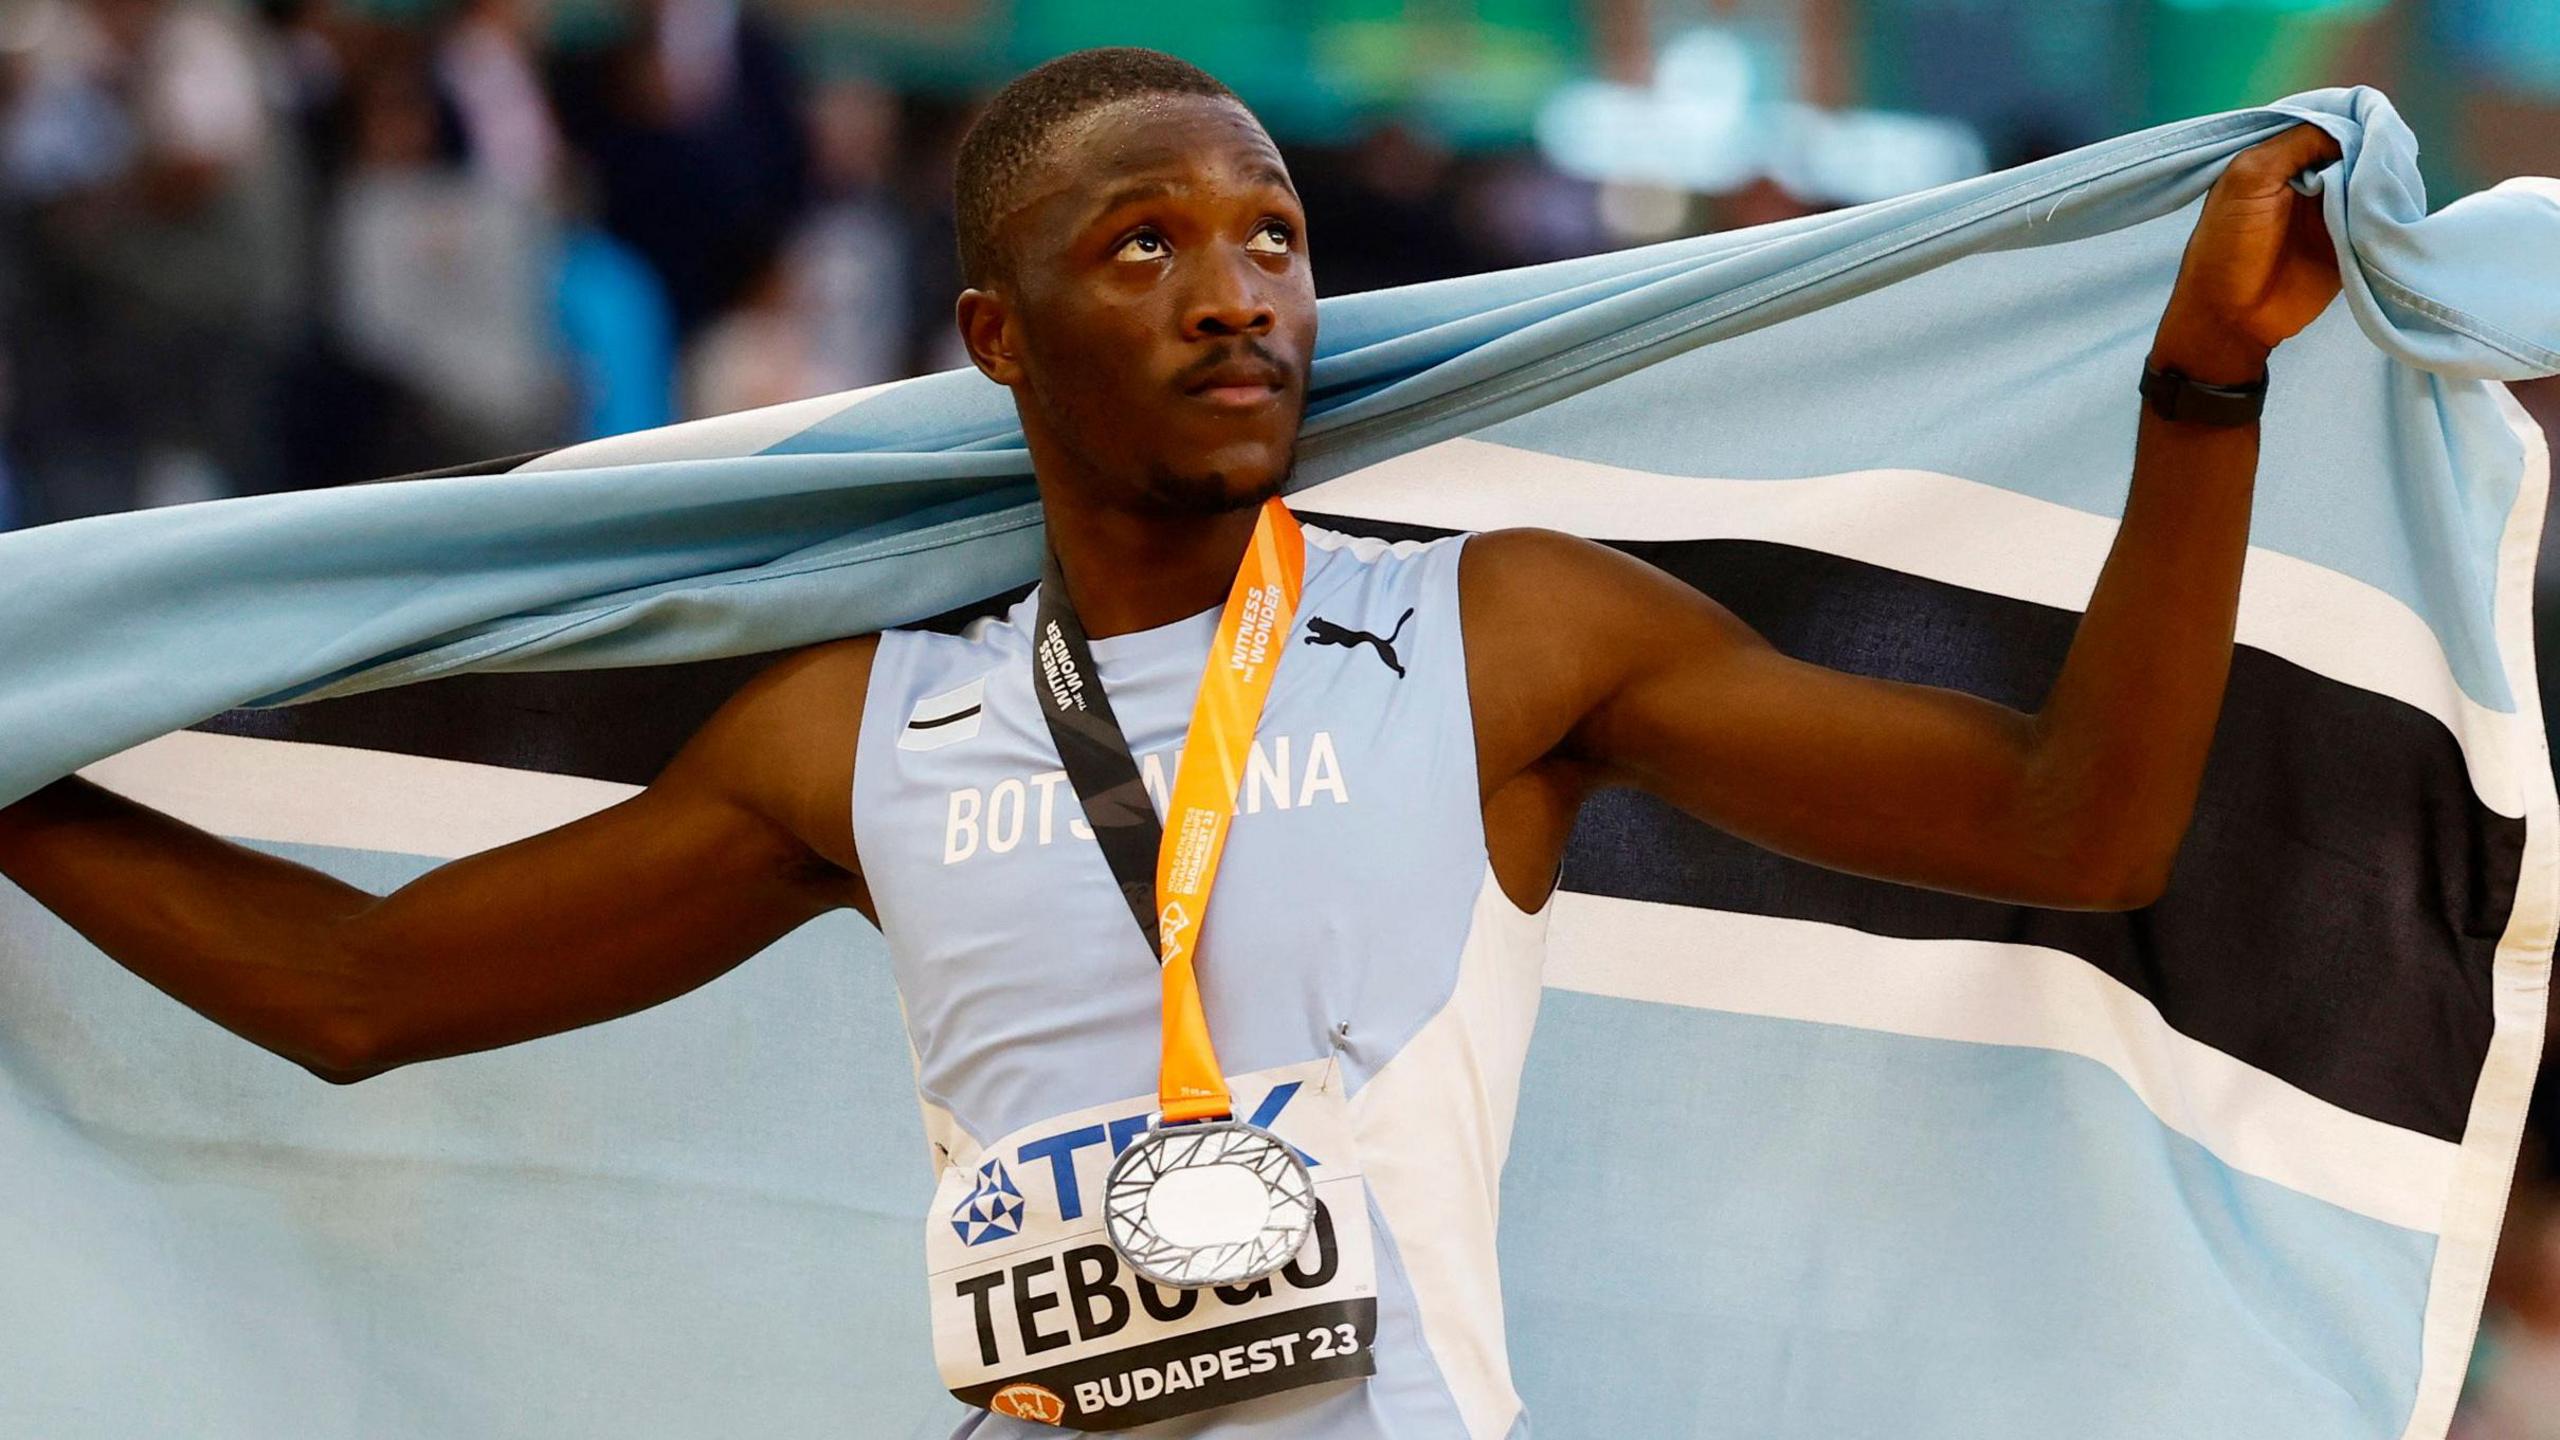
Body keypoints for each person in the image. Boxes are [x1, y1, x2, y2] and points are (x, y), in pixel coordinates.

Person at [0, 45, 2344, 1438]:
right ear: (995, 336)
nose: (1236, 293)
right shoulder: (865, 732)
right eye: (1143, 248)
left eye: (1275, 235)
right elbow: (353, 994)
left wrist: (2200, 387)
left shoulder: (1506, 638)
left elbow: (2076, 820)